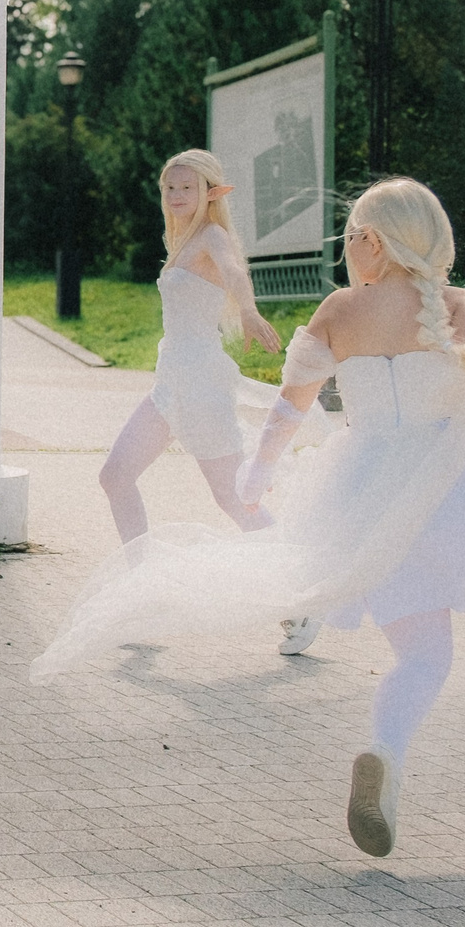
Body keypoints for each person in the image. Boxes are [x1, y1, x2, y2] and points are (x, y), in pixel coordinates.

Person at [35, 177, 465, 859]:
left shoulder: (340, 312)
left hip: (374, 506)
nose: (347, 250)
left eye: (351, 237)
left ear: (373, 240)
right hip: (459, 499)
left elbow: (290, 405)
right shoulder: (461, 308)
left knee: (421, 658)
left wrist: (257, 477)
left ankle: (383, 750)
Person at [93, 151, 311, 652]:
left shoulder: (212, 236)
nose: (174, 197)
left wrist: (251, 312)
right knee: (115, 476)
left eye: (185, 188)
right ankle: (143, 594)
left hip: (201, 382)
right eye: (169, 188)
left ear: (211, 192)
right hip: (173, 379)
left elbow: (235, 273)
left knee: (235, 499)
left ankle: (303, 598)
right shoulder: (181, 239)